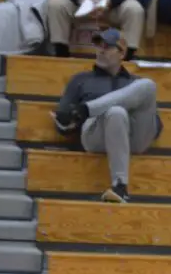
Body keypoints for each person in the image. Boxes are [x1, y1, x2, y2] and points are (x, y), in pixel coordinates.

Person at [52, 29, 162, 203]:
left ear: (122, 53)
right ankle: (120, 186)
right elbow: (62, 123)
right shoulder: (81, 79)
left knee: (148, 85)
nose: (101, 50)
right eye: (98, 45)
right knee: (115, 112)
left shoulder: (134, 82)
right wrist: (66, 121)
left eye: (108, 46)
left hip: (132, 138)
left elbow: (156, 126)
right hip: (95, 137)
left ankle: (88, 108)